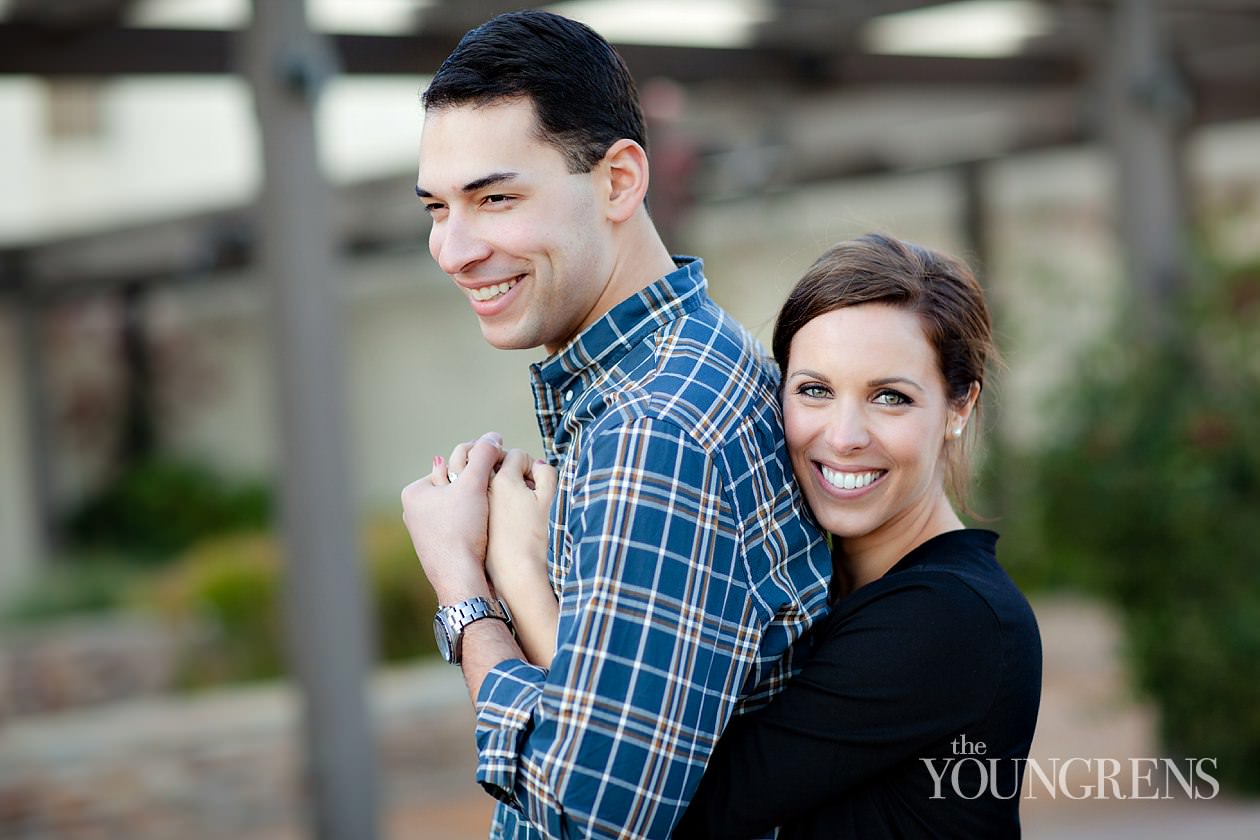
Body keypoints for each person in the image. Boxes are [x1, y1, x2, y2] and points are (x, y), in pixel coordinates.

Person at [399, 10, 832, 839]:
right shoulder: (694, 367)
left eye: (495, 198)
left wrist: (464, 586)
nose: (454, 249)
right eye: (436, 208)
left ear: (620, 182)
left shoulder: (652, 430)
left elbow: (587, 817)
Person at [488, 233, 1044, 838]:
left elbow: (652, 810)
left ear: (959, 406)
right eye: (814, 390)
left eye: (890, 397)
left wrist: (510, 576)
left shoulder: (951, 617)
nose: (844, 436)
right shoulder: (815, 584)